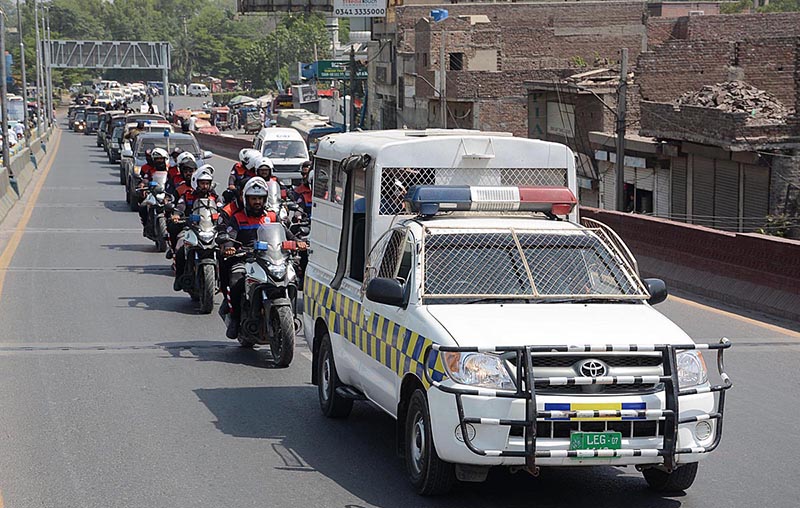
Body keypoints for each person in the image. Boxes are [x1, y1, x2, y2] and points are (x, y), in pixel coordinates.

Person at [222, 178, 309, 339]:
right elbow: (230, 236)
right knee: (235, 281)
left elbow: (286, 233)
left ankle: (290, 314)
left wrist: (298, 243)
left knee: (293, 278)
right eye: (254, 198)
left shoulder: (272, 216)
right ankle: (235, 317)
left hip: (271, 258)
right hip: (246, 259)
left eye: (260, 198)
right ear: (247, 199)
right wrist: (230, 247)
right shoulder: (238, 217)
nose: (257, 202)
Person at [172, 166, 220, 291]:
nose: (205, 186)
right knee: (180, 249)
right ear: (195, 183)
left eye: (207, 183)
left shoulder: (214, 197)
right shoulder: (187, 196)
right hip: (190, 229)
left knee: (223, 253)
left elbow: (223, 209)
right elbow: (180, 207)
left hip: (211, 229)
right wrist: (177, 215)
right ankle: (179, 277)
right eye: (202, 183)